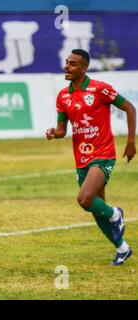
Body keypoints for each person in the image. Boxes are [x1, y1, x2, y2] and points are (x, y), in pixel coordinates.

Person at [46, 49, 136, 266]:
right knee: (95, 207)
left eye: (73, 64)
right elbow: (62, 129)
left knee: (84, 199)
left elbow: (129, 108)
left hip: (103, 154)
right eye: (67, 62)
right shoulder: (63, 96)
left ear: (84, 68)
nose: (67, 66)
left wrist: (131, 141)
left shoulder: (99, 89)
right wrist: (53, 133)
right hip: (82, 158)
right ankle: (122, 249)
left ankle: (116, 213)